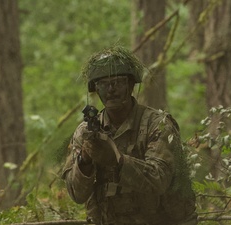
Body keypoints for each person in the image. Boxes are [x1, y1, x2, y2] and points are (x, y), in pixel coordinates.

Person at [62, 46, 196, 225]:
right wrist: (85, 160)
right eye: (103, 84)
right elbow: (76, 195)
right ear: (96, 89)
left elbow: (159, 180)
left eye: (118, 82)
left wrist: (117, 161)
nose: (111, 90)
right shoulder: (86, 131)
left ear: (131, 84)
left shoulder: (157, 124)